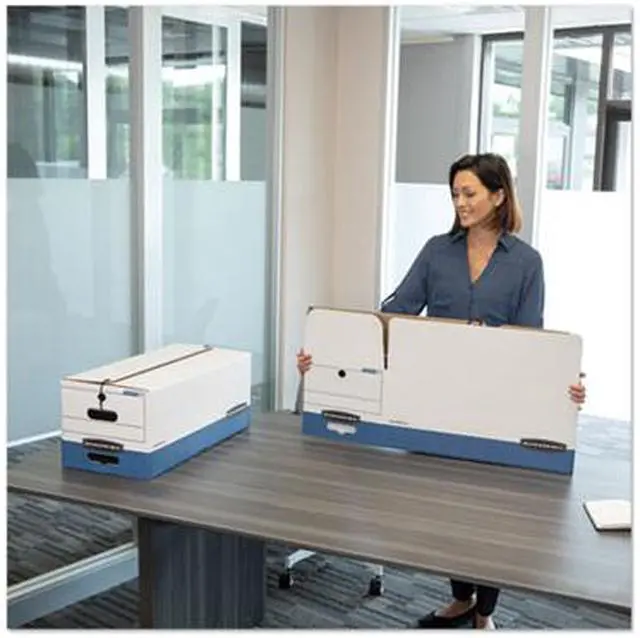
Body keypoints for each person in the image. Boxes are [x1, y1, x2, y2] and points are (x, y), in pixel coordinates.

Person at [296, 152, 586, 629]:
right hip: (435, 401)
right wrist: (330, 352)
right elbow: (393, 315)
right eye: (455, 194)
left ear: (499, 195)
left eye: (470, 193)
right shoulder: (437, 251)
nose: (461, 202)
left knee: (490, 513)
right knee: (444, 509)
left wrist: (562, 383)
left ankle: (485, 614)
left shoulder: (526, 262)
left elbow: (532, 341)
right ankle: (460, 597)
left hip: (496, 404)